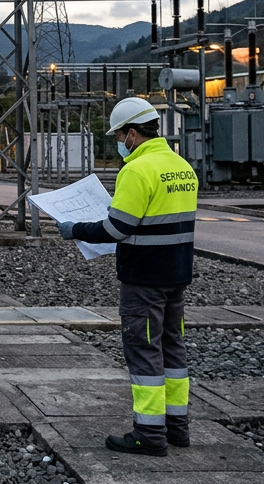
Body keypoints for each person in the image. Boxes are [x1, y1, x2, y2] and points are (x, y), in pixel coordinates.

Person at [55, 97, 198, 457]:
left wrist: (75, 229)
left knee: (144, 351)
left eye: (120, 134)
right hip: (176, 275)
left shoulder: (137, 170)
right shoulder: (181, 166)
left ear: (132, 133)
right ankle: (176, 427)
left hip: (144, 279)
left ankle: (149, 433)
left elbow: (117, 227)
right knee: (173, 349)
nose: (120, 141)